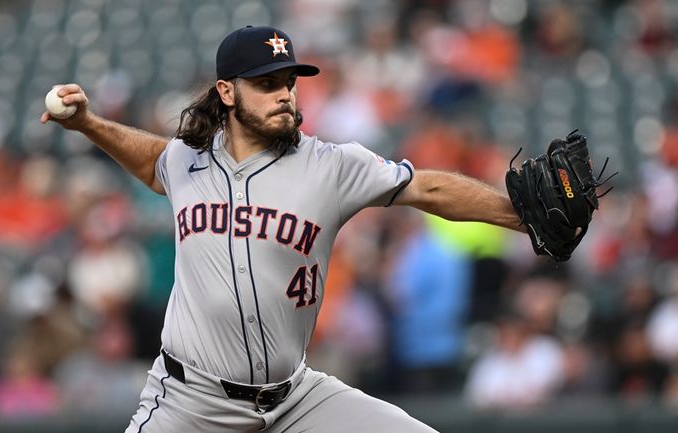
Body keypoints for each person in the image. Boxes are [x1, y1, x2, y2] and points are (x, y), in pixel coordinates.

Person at [41, 25, 523, 433]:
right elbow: (153, 161)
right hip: (190, 403)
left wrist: (520, 218)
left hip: (296, 400)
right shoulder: (188, 161)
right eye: (266, 83)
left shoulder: (331, 166)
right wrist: (88, 123)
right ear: (227, 92)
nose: (284, 95)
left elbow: (429, 189)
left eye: (288, 82)